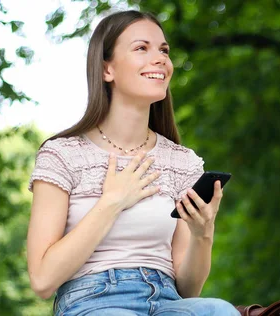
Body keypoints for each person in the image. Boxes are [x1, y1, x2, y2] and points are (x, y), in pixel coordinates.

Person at [26, 10, 239, 316]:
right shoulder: (62, 155)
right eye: (142, 48)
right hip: (92, 302)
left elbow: (188, 289)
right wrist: (111, 202)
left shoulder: (182, 162)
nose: (161, 59)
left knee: (219, 310)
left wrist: (203, 233)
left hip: (167, 301)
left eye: (163, 50)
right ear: (106, 69)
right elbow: (42, 280)